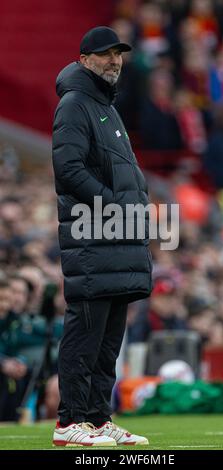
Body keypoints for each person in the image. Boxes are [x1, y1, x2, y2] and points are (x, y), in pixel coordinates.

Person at [52, 26, 152, 447]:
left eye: (118, 54)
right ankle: (69, 422)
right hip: (94, 239)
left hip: (117, 240)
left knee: (108, 340)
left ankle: (96, 418)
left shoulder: (105, 106)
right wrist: (115, 204)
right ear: (83, 59)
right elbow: (69, 170)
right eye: (104, 54)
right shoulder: (76, 104)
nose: (114, 60)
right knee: (85, 334)